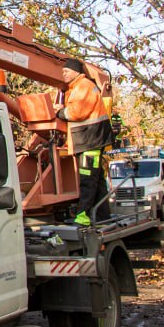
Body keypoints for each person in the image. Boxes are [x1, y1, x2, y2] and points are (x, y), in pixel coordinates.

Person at [56, 58, 113, 226]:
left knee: (88, 178)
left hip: (91, 140)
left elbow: (77, 112)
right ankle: (102, 216)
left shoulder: (84, 86)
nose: (63, 74)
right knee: (96, 178)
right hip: (89, 140)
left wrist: (60, 112)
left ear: (76, 72)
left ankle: (83, 216)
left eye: (66, 71)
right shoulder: (76, 88)